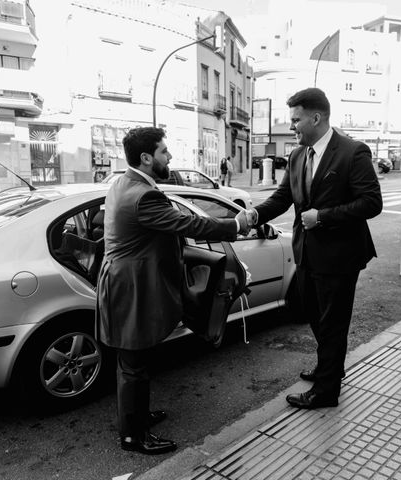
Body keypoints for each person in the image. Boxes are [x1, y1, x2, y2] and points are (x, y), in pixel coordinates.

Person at [96, 127, 250, 455]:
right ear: (146, 157)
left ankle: (137, 416)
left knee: (135, 361)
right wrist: (235, 224)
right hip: (130, 289)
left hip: (126, 284)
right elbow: (189, 224)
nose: (170, 157)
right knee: (133, 363)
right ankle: (133, 436)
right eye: (165, 152)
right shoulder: (143, 195)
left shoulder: (125, 183)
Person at [246, 88, 382, 409]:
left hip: (339, 256)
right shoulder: (296, 155)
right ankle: (329, 368)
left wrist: (322, 217)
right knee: (314, 315)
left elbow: (371, 203)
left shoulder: (352, 152)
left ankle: (326, 391)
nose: (292, 126)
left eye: (296, 120)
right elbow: (282, 198)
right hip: (305, 252)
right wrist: (255, 214)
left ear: (316, 117)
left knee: (333, 323)